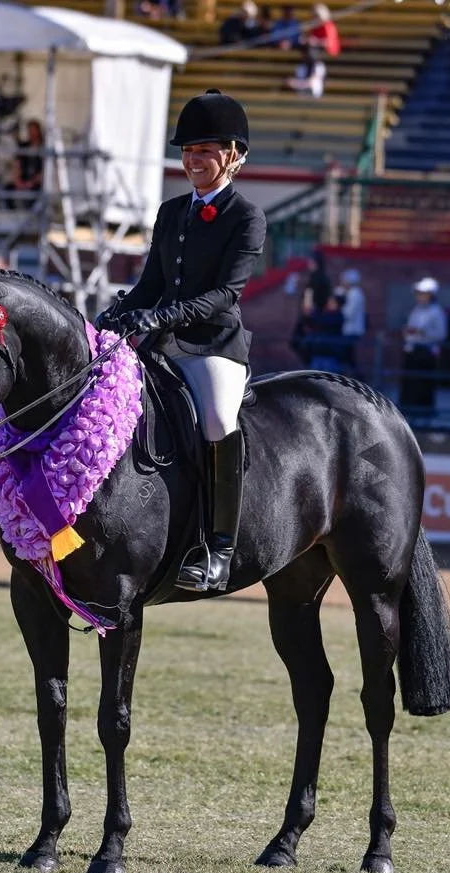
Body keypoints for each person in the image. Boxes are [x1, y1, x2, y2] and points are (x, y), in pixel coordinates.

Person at [96, 90, 267, 593]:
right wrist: (114, 314)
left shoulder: (246, 216)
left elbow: (225, 293)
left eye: (205, 150)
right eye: (188, 151)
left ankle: (219, 547)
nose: (194, 159)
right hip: (159, 339)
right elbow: (151, 283)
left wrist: (165, 314)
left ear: (233, 156)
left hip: (214, 344)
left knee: (216, 419)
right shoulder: (171, 212)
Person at [399, 277, 447, 418]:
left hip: (426, 352)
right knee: (410, 383)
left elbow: (441, 334)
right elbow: (411, 326)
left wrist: (424, 333)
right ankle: (408, 410)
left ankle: (424, 412)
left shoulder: (437, 312)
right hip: (412, 350)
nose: (420, 297)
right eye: (419, 294)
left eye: (423, 294)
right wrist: (408, 332)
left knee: (424, 385)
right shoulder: (416, 310)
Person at [9, 119, 44, 208]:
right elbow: (16, 165)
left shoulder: (44, 147)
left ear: (38, 131)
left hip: (37, 183)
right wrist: (18, 182)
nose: (31, 133)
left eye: (33, 130)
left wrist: (31, 183)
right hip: (23, 182)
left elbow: (45, 171)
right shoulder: (23, 146)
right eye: (29, 130)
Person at [339, 267, 366, 373]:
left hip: (351, 330)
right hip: (350, 330)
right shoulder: (352, 293)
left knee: (347, 358)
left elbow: (348, 313)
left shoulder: (354, 294)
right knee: (348, 358)